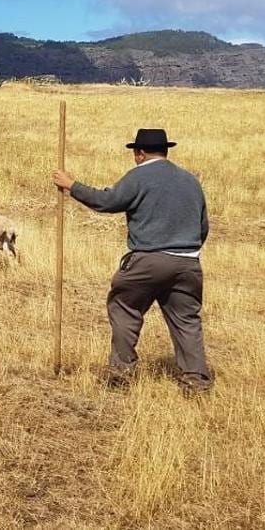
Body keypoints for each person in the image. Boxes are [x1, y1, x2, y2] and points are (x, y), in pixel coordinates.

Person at [51, 128, 212, 393]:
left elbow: (108, 201)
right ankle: (196, 381)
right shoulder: (190, 180)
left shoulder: (139, 176)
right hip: (188, 262)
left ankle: (121, 373)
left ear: (139, 153)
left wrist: (71, 186)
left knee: (124, 307)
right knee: (186, 321)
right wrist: (184, 253)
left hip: (147, 259)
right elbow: (202, 226)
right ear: (165, 151)